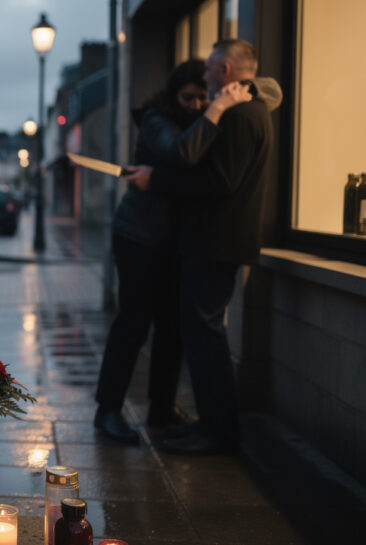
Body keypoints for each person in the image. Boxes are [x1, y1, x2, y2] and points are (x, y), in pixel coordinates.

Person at [125, 39, 281, 454]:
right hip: (218, 241)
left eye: (211, 68)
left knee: (205, 336)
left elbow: (219, 182)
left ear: (226, 70)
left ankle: (218, 432)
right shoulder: (248, 110)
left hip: (216, 242)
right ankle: (211, 426)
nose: (205, 75)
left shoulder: (240, 114)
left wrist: (155, 179)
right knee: (201, 333)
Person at [94, 59, 254, 444]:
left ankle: (161, 410)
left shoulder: (199, 122)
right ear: (172, 95)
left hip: (174, 244)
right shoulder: (155, 120)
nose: (196, 105)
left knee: (172, 329)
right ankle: (108, 410)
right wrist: (216, 110)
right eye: (188, 97)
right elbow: (181, 154)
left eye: (203, 98)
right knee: (133, 323)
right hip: (138, 238)